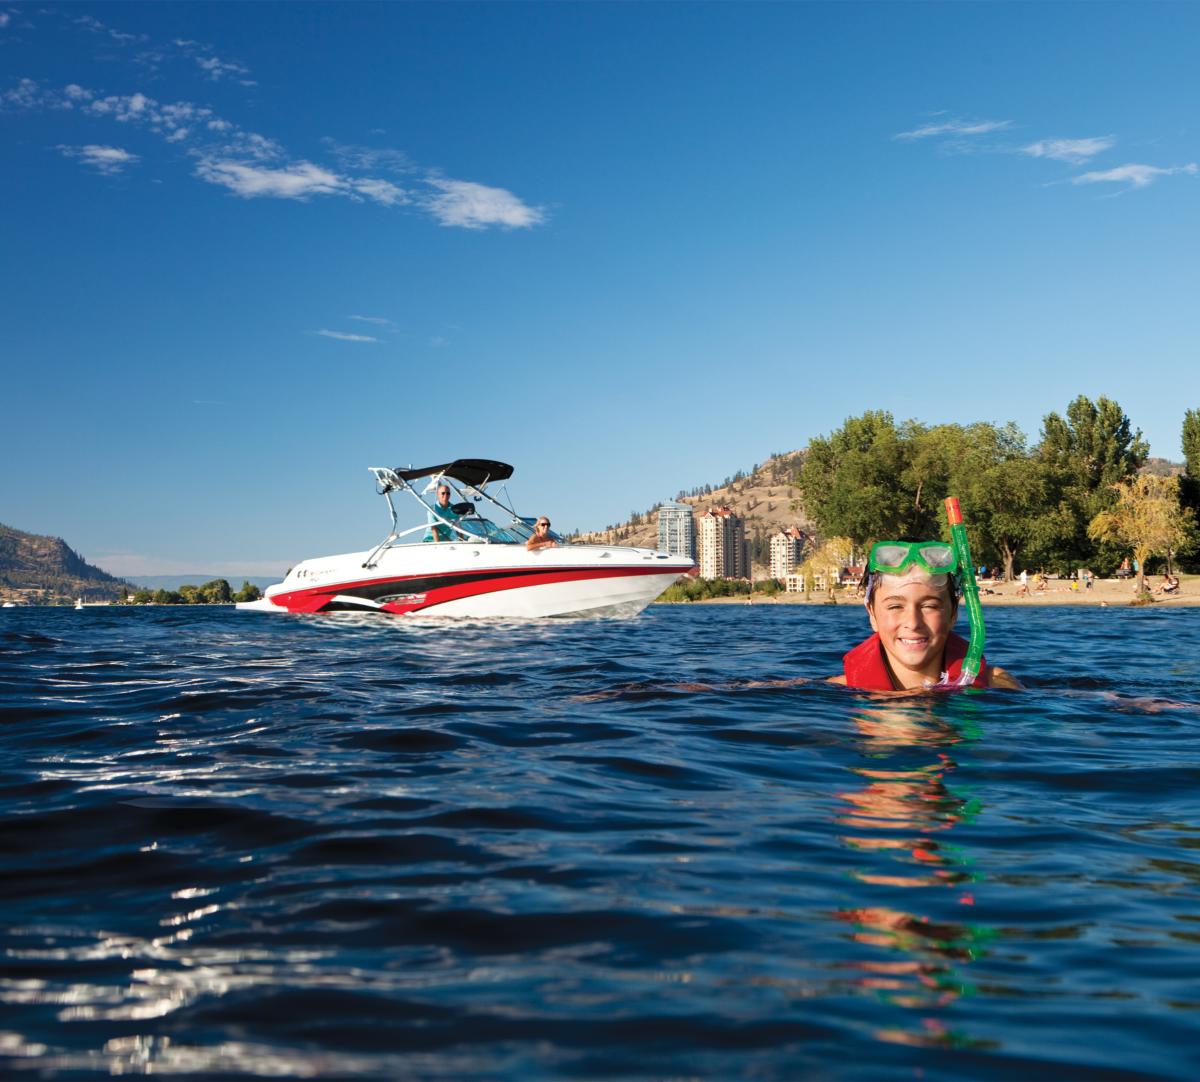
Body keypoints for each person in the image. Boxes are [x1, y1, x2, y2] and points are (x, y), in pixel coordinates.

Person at [829, 540, 1020, 691]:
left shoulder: (998, 685)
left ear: (953, 613)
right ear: (872, 613)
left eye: (930, 606)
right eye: (895, 606)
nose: (913, 623)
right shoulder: (837, 693)